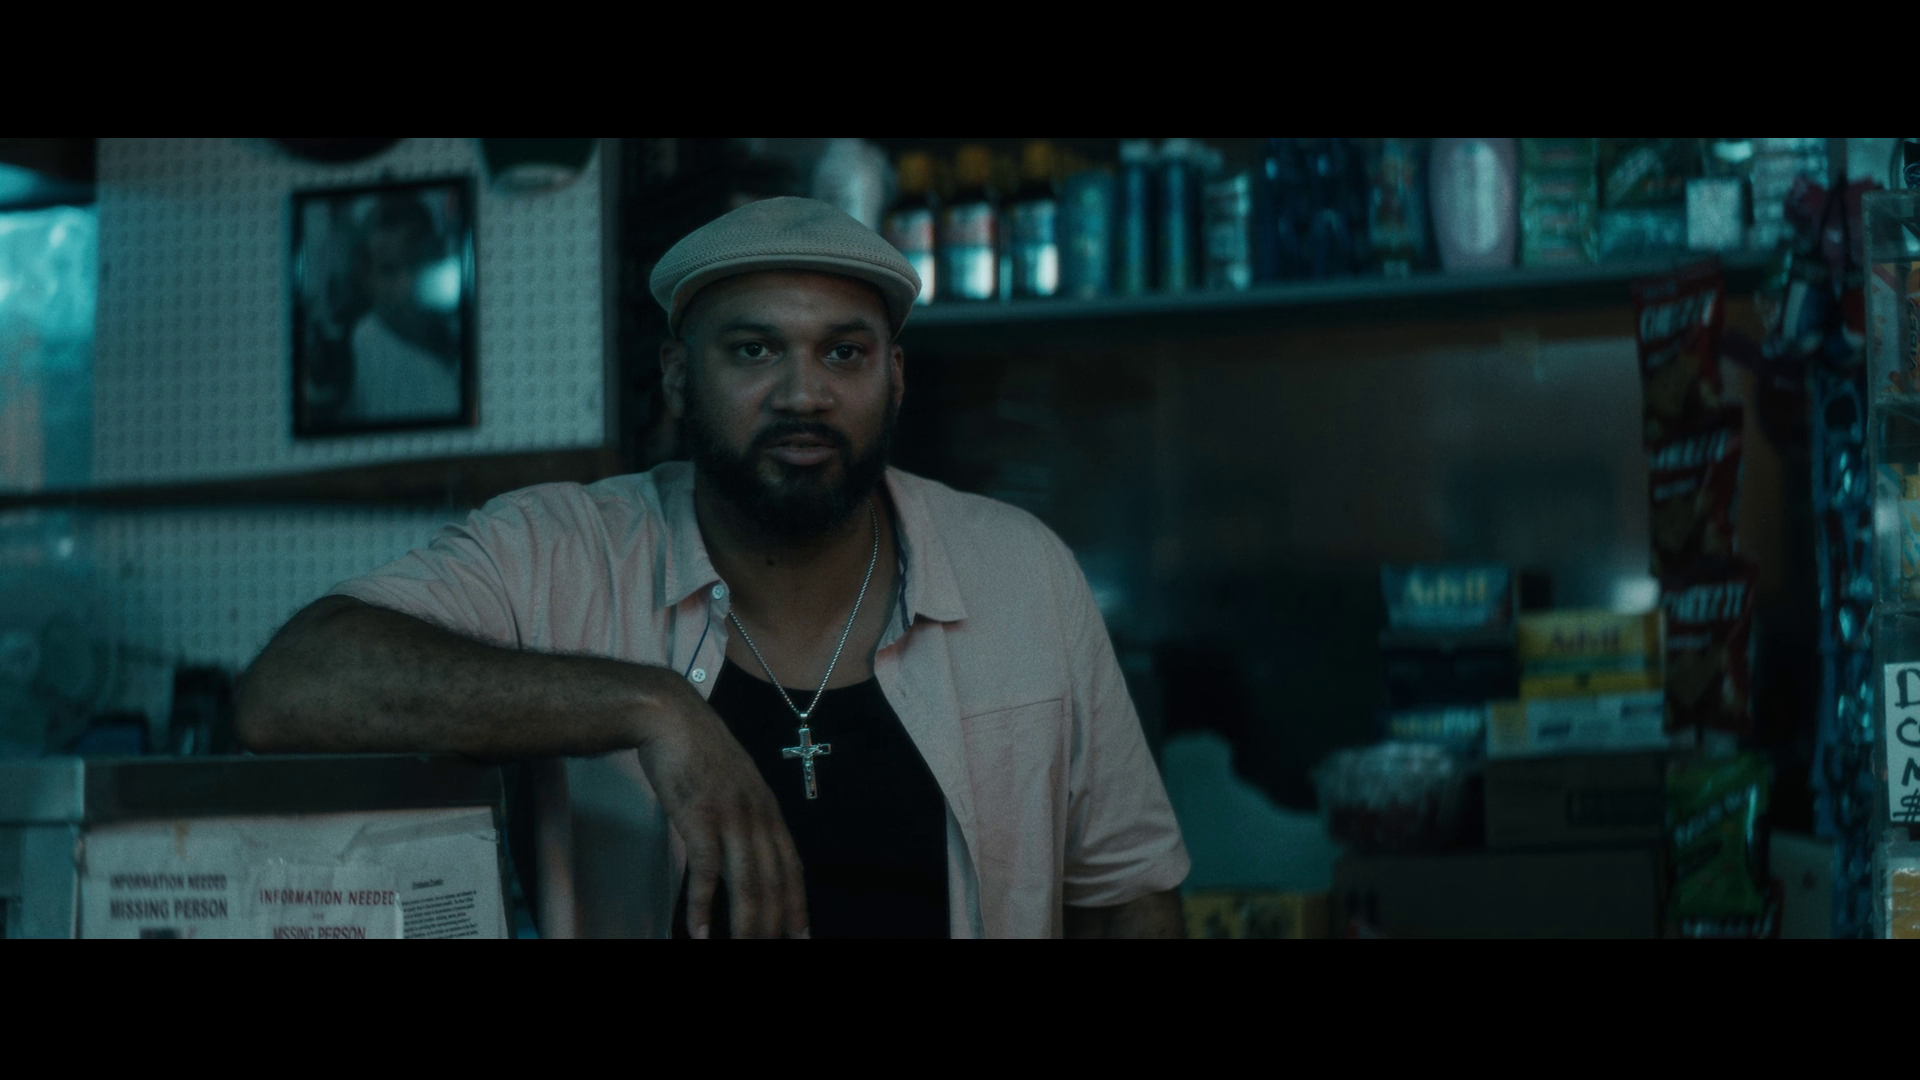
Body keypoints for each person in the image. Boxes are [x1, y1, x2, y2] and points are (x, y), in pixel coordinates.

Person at [238, 196, 1189, 938]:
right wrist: (650, 707)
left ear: (893, 377)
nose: (803, 394)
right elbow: (290, 690)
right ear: (677, 375)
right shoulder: (562, 551)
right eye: (753, 349)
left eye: (844, 353)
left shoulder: (1023, 572)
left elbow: (1131, 895)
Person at [343, 195, 462, 423]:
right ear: (367, 278)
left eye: (416, 263)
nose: (406, 284)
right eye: (389, 270)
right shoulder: (363, 347)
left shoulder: (453, 330)